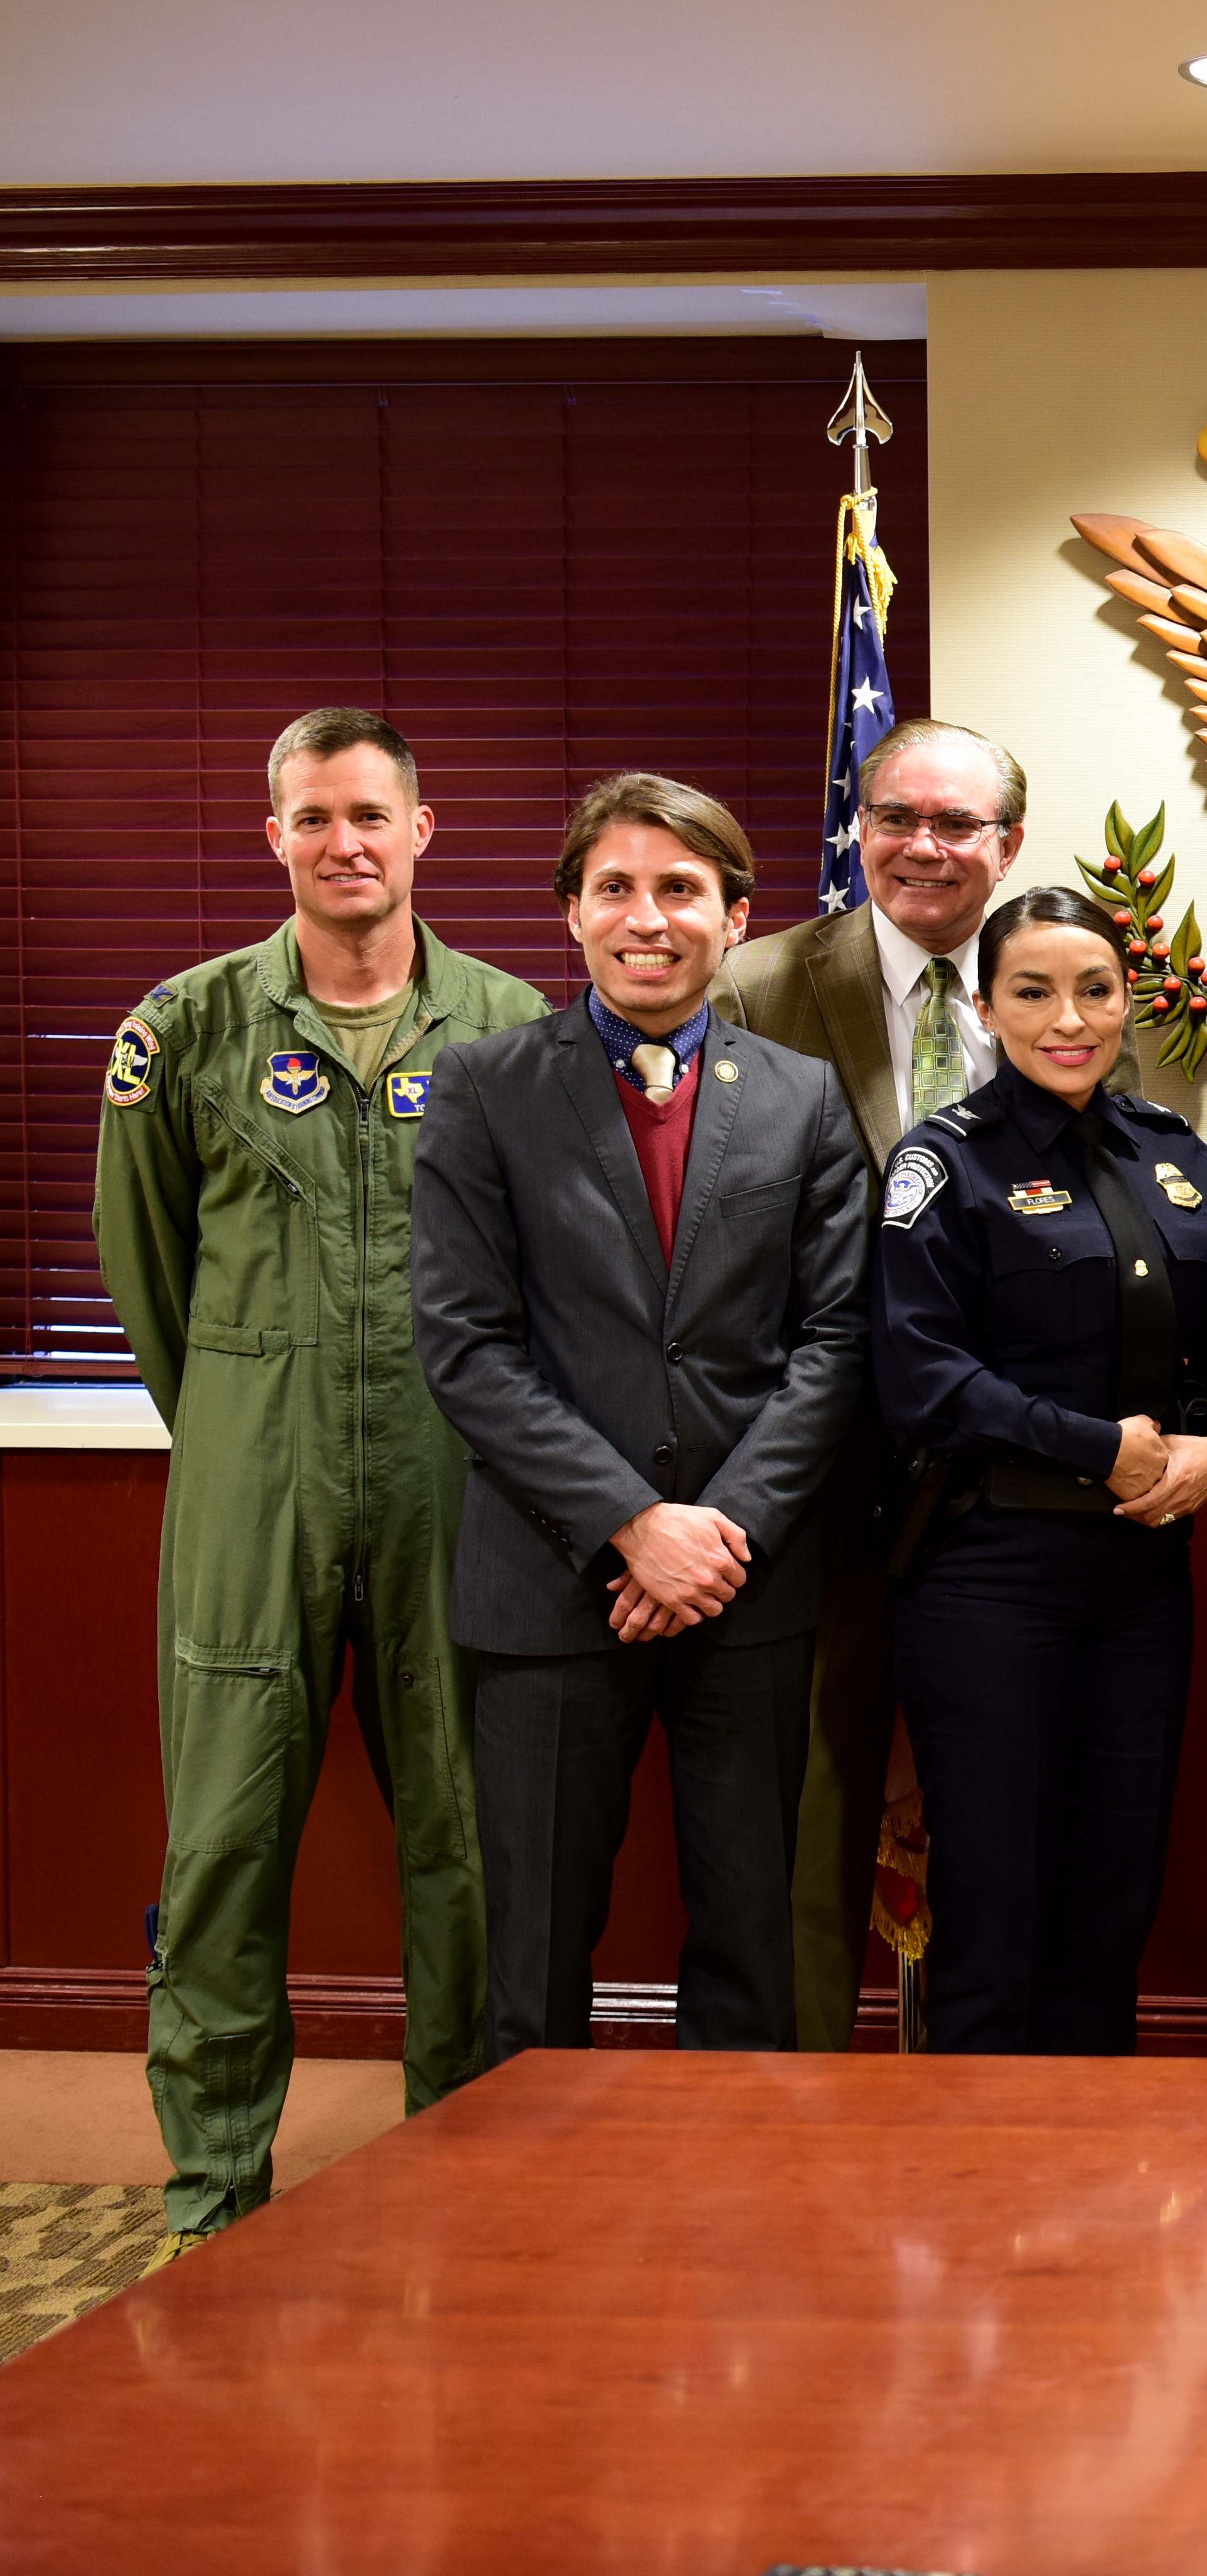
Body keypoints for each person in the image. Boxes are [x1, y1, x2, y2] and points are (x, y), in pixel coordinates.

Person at [94, 707, 549, 2258]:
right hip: (252, 1478)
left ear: (424, 831)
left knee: (466, 1841)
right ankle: (215, 2193)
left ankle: (462, 2169)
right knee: (221, 1841)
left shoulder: (507, 1024)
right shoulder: (190, 1027)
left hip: (459, 1481)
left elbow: (551, 1272)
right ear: (271, 835)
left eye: (370, 814)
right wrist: (243, 1412)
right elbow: (151, 1274)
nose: (343, 842)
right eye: (312, 817)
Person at [411, 773, 874, 2058]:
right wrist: (630, 1522)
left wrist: (715, 1531)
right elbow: (466, 1346)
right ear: (570, 913)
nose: (647, 919)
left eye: (681, 890)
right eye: (615, 888)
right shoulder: (485, 1090)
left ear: (736, 917)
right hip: (550, 1586)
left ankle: (737, 2237)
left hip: (749, 1583)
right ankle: (531, 2235)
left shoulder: (801, 1099)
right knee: (538, 1950)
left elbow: (837, 1341)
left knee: (751, 1939)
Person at [867, 887, 1207, 2054]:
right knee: (995, 1894)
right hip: (992, 1576)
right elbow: (919, 1373)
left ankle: (1095, 2175)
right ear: (985, 1009)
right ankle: (981, 2177)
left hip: (1139, 1582)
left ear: (1127, 999)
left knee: (1114, 1885)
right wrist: (1100, 1446)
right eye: (1031, 992)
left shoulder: (1173, 1154)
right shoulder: (946, 1163)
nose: (1067, 1018)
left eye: (1093, 989)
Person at [714, 716, 1031, 2051]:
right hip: (816, 1467)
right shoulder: (756, 986)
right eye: (897, 815)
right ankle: (797, 2111)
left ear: (1007, 846)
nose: (923, 847)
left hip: (1000, 1482)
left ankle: (978, 2107)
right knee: (814, 1809)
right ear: (859, 824)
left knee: (1004, 1804)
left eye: (958, 824)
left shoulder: (1056, 987)